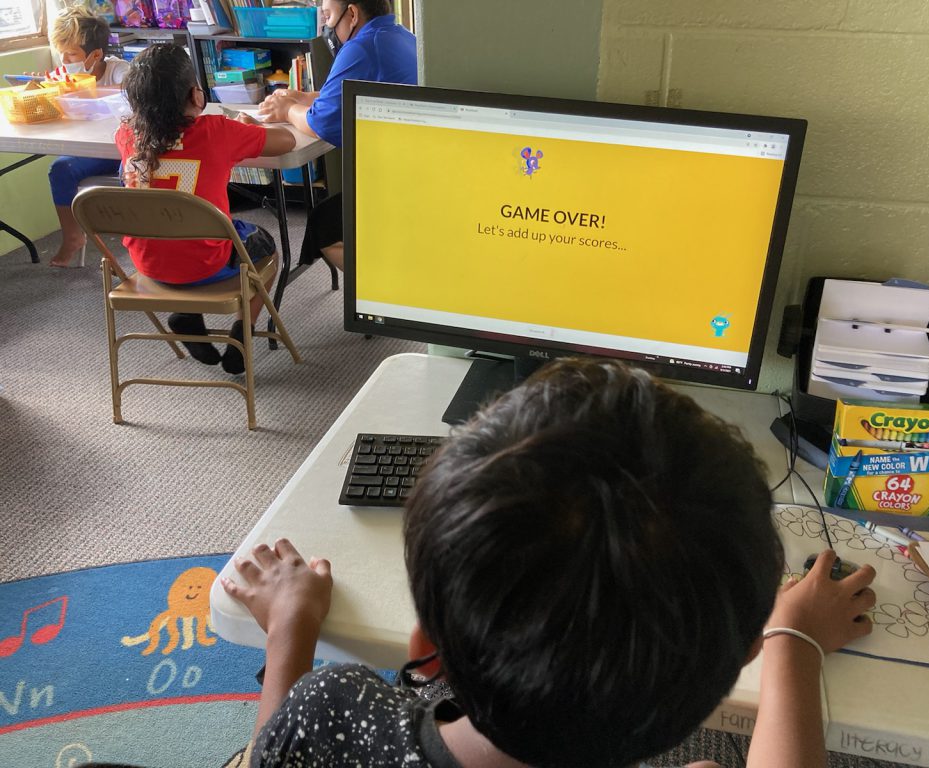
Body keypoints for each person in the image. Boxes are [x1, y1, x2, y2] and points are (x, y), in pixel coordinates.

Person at [222, 358, 878, 767]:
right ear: (737, 663)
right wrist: (793, 643)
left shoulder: (331, 708)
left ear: (426, 645)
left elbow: (280, 750)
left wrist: (290, 630)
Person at [115, 44, 296, 375]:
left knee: (182, 227)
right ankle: (243, 333)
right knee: (266, 246)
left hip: (147, 264)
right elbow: (286, 142)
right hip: (206, 262)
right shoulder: (217, 131)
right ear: (196, 95)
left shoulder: (126, 135)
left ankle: (186, 316)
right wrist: (247, 128)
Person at [256, 0, 416, 270]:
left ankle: (382, 291)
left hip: (400, 187)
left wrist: (287, 110)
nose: (327, 27)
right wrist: (302, 97)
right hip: (417, 173)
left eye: (329, 16)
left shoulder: (361, 47)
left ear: (352, 14)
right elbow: (347, 93)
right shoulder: (401, 37)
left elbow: (323, 123)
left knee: (324, 227)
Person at [46, 6, 131, 268]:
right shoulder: (67, 76)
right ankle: (73, 236)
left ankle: (137, 241)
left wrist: (84, 89)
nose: (64, 59)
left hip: (121, 151)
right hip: (91, 152)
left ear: (95, 54)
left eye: (71, 53)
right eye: (61, 52)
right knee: (60, 169)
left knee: (133, 173)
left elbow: (129, 94)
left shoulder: (120, 71)